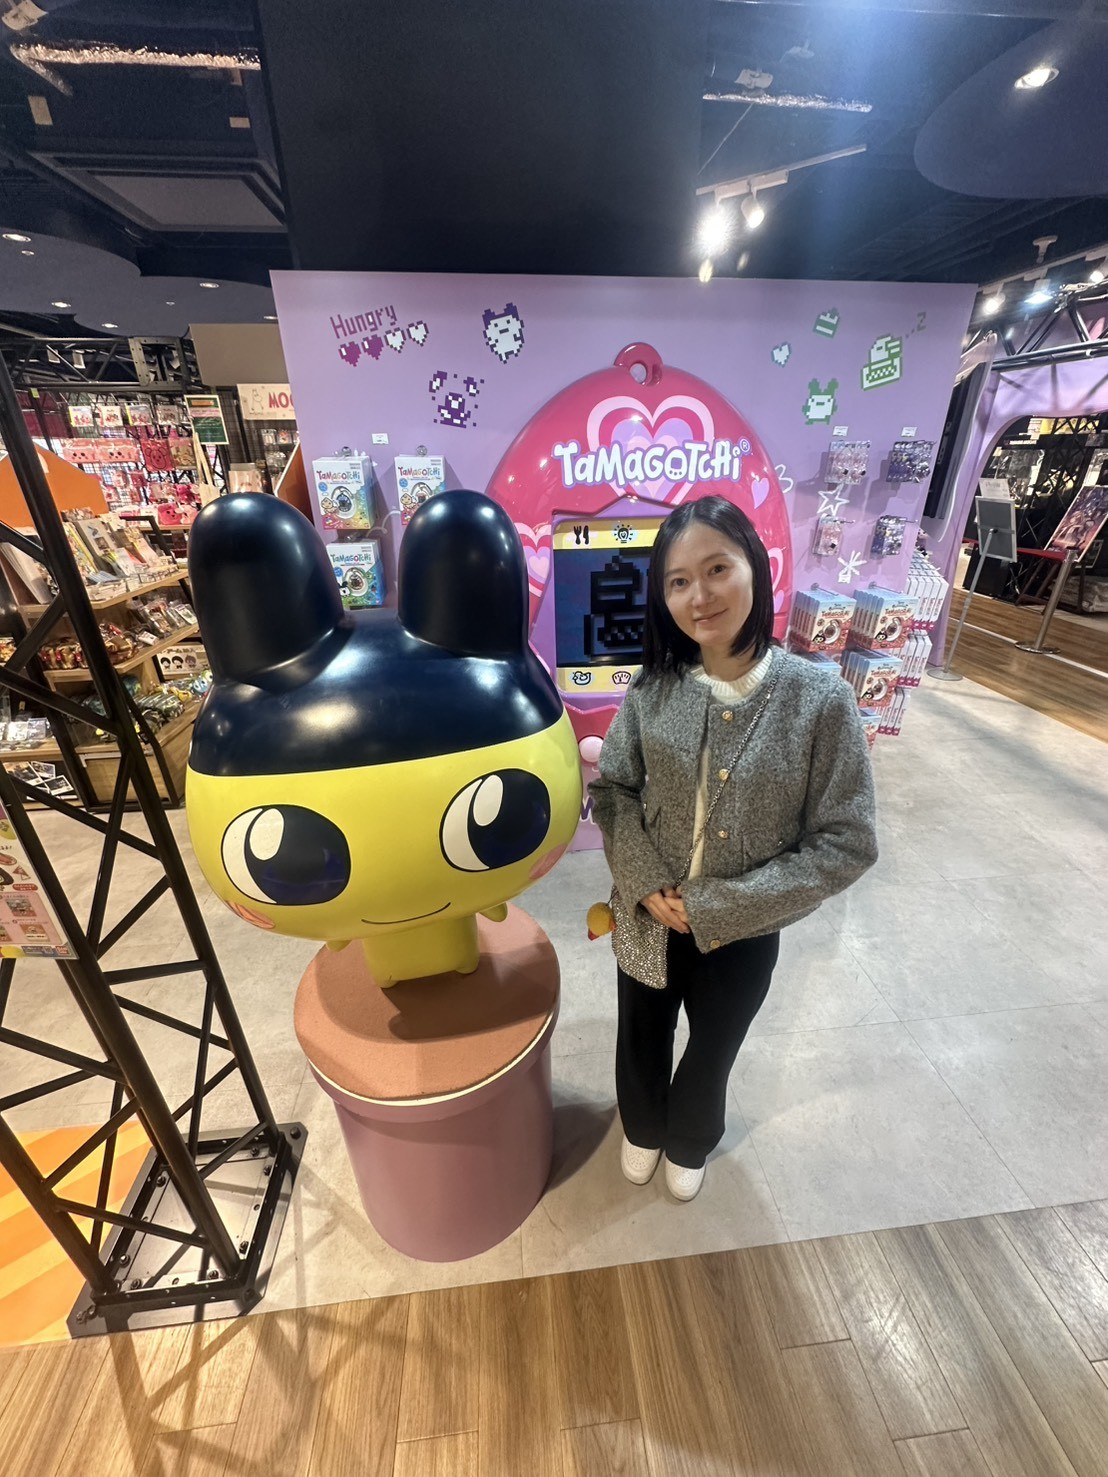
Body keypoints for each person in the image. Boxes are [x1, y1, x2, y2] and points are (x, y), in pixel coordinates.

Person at [589, 496, 878, 1202]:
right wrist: (643, 879)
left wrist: (724, 904)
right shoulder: (654, 687)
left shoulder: (820, 701)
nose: (700, 595)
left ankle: (690, 1139)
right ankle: (642, 1125)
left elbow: (847, 841)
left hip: (744, 932)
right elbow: (614, 789)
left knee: (713, 1046)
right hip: (646, 915)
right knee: (640, 1031)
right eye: (679, 580)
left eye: (717, 568)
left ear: (756, 567)